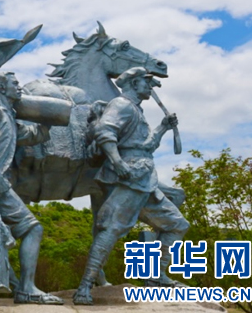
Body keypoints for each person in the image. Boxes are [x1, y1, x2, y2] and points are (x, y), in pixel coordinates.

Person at [73, 67, 187, 305]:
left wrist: (163, 127)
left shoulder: (136, 110)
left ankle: (156, 276)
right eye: (146, 82)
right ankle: (85, 286)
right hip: (129, 176)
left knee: (177, 225)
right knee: (111, 229)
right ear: (134, 83)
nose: (150, 87)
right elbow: (105, 131)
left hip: (145, 179)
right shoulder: (122, 104)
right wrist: (118, 162)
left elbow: (145, 145)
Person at [0, 71, 62, 305]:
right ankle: (26, 289)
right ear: (1, 88)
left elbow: (29, 135)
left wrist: (49, 120)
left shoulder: (8, 114)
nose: (20, 87)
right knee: (32, 229)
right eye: (15, 83)